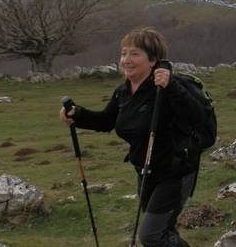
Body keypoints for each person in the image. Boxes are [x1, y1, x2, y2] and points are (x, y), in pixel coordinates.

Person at [59, 28, 205, 247]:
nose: (126, 60)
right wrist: (78, 115)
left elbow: (197, 117)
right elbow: (107, 121)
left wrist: (171, 86)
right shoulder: (124, 91)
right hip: (145, 171)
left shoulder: (167, 88)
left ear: (153, 59)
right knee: (163, 231)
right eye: (123, 53)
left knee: (151, 235)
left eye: (134, 54)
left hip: (175, 172)